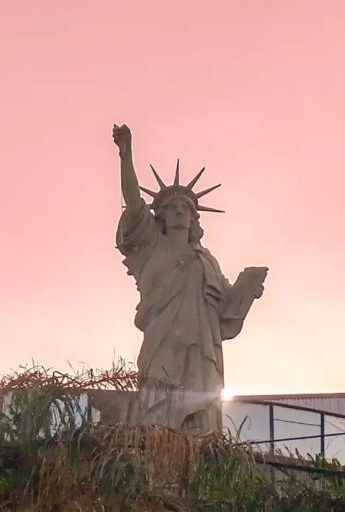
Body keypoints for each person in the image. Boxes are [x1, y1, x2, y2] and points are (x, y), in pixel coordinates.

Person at [112, 124, 266, 433]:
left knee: (202, 417)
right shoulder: (152, 248)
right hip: (163, 342)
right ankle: (161, 454)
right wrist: (126, 156)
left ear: (194, 218)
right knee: (158, 406)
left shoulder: (206, 260)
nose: (181, 212)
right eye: (174, 207)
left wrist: (247, 291)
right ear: (162, 216)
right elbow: (133, 201)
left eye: (187, 208)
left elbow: (225, 306)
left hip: (201, 347)